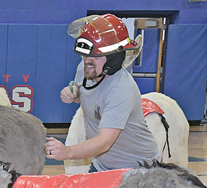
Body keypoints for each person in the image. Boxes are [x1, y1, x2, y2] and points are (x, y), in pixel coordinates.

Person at [45, 14, 159, 172]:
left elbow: (104, 142)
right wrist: (74, 93)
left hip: (138, 167)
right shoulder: (86, 68)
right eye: (85, 55)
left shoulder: (121, 90)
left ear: (113, 59)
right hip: (103, 163)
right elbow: (88, 97)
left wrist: (67, 152)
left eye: (95, 57)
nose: (87, 61)